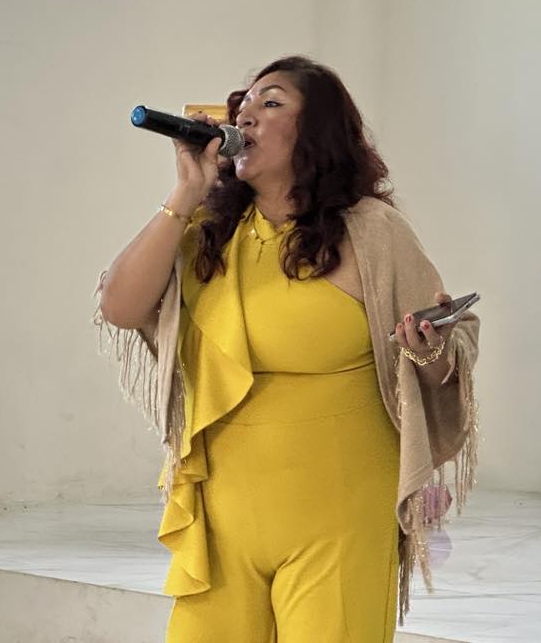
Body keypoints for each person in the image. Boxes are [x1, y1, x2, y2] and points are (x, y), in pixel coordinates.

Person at [95, 56, 480, 642]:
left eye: (271, 103)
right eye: (243, 106)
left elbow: (444, 348)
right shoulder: (207, 231)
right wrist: (185, 192)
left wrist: (428, 351)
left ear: (316, 131)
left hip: (341, 510)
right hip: (223, 513)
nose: (246, 116)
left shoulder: (372, 232)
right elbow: (120, 307)